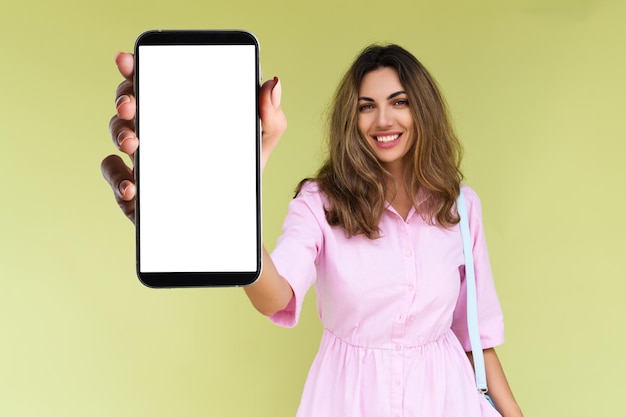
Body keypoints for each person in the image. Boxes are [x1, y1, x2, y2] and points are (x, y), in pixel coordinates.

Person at [103, 44, 523, 417]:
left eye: (399, 102)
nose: (383, 119)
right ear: (351, 117)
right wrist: (228, 216)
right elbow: (275, 296)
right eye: (366, 106)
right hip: (346, 401)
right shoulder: (320, 203)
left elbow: (476, 338)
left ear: (423, 110)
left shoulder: (461, 207)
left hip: (448, 401)